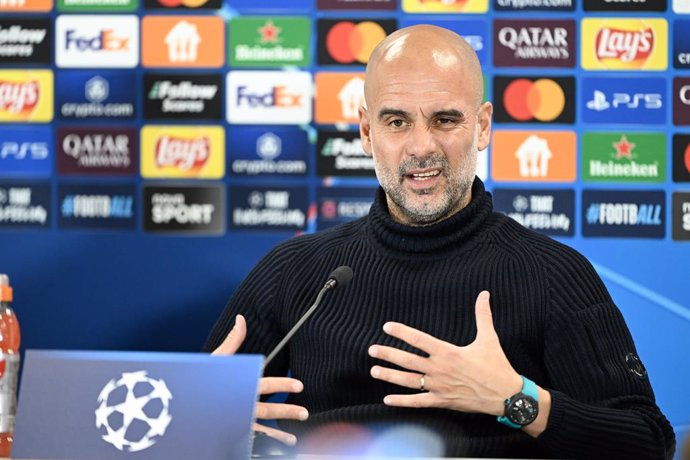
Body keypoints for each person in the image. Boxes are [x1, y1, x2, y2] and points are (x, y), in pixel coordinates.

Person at [204, 25, 675, 459]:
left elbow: (647, 442)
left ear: (483, 126)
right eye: (396, 122)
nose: (422, 146)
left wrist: (514, 398)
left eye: (445, 120)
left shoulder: (552, 274)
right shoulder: (296, 270)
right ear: (367, 131)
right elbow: (183, 422)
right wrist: (215, 423)